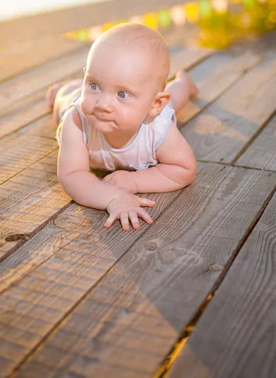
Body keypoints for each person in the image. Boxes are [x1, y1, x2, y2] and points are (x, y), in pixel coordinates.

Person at [46, 23, 198, 232]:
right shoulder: (78, 121)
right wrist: (113, 197)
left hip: (146, 113)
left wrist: (135, 181)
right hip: (72, 100)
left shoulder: (158, 125)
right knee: (62, 101)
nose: (102, 104)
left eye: (122, 94)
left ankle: (184, 84)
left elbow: (184, 169)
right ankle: (61, 90)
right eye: (93, 84)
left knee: (175, 99)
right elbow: (71, 175)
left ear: (155, 105)